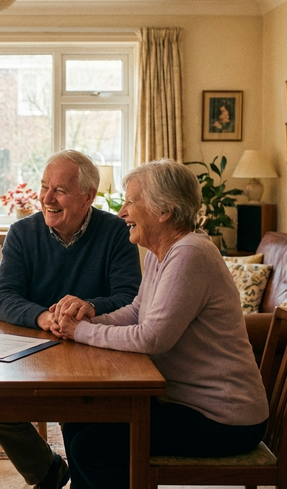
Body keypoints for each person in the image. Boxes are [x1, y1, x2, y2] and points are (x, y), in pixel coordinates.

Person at [52, 159, 269, 489]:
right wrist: (87, 317)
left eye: (130, 202)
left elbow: (152, 338)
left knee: (91, 447)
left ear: (164, 210)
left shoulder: (190, 254)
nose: (122, 212)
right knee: (78, 420)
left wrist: (80, 331)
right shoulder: (161, 253)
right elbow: (137, 312)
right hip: (186, 403)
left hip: (224, 417)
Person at [0, 149, 143, 489]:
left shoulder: (117, 232)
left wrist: (89, 306)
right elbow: (3, 298)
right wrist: (42, 317)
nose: (47, 198)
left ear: (88, 196)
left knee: (83, 418)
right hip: (31, 349)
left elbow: (130, 296)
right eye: (44, 187)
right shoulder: (22, 233)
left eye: (60, 190)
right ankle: (48, 471)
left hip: (93, 351)